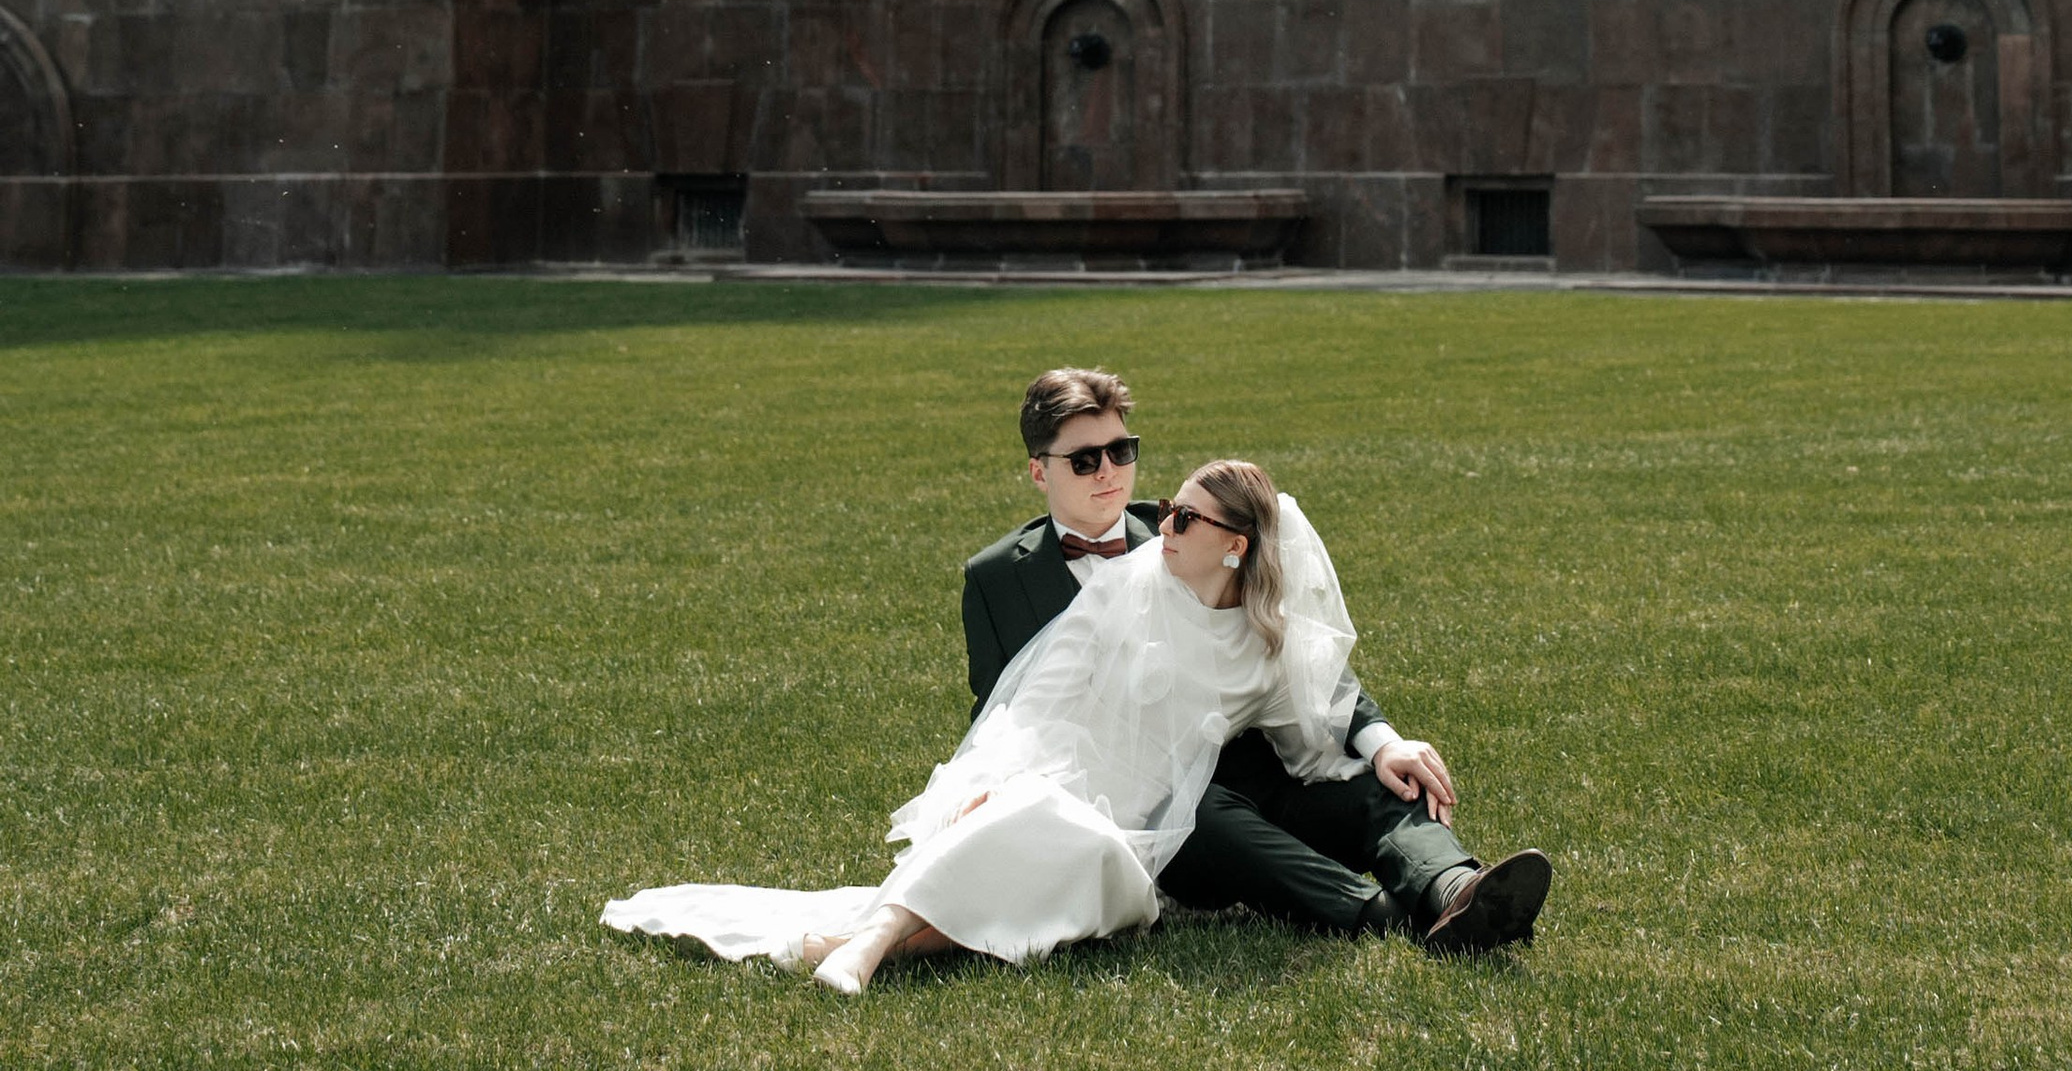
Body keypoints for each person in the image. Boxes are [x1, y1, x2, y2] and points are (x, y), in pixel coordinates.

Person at [608, 460, 1453, 990]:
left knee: (1083, 851)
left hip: (1148, 835)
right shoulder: (1125, 590)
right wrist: (987, 781)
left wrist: (1385, 743)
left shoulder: (1265, 647)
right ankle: (866, 948)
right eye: (1168, 510)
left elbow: (1320, 719)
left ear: (1235, 547)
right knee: (1033, 822)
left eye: (1184, 519)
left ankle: (860, 938)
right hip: (1070, 786)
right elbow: (1032, 699)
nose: (1161, 525)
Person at [959, 366, 1550, 956]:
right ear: (1040, 470)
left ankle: (1455, 888)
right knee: (1199, 810)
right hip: (1155, 813)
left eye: (1121, 450)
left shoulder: (1184, 528)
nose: (1109, 470)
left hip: (1254, 774)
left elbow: (1295, 651)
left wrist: (1382, 740)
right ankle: (1388, 916)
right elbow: (1005, 710)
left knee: (1377, 784)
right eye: (1085, 460)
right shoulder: (997, 579)